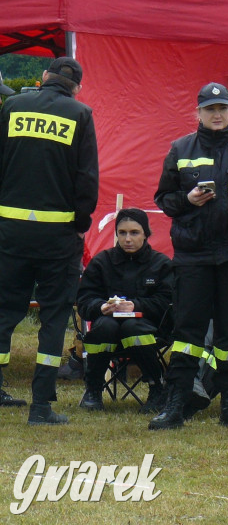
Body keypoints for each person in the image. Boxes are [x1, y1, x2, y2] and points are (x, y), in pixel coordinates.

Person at [149, 82, 228, 430]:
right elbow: (163, 200)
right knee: (186, 333)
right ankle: (175, 405)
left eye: (222, 109)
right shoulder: (180, 148)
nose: (217, 115)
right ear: (198, 113)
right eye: (210, 109)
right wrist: (188, 201)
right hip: (192, 255)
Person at [0, 56, 99, 424]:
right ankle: (41, 405)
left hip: (10, 230)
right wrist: (81, 222)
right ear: (77, 87)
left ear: (44, 77)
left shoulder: (12, 106)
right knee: (54, 316)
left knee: (5, 310)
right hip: (58, 235)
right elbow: (86, 178)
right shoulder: (80, 114)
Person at [77, 208, 173, 413]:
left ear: (146, 233)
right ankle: (93, 390)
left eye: (134, 232)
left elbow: (168, 303)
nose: (128, 238)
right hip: (108, 327)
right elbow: (84, 300)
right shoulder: (102, 262)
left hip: (148, 328)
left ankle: (157, 388)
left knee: (132, 327)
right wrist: (101, 307)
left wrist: (137, 306)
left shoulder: (161, 264)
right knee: (105, 327)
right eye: (122, 233)